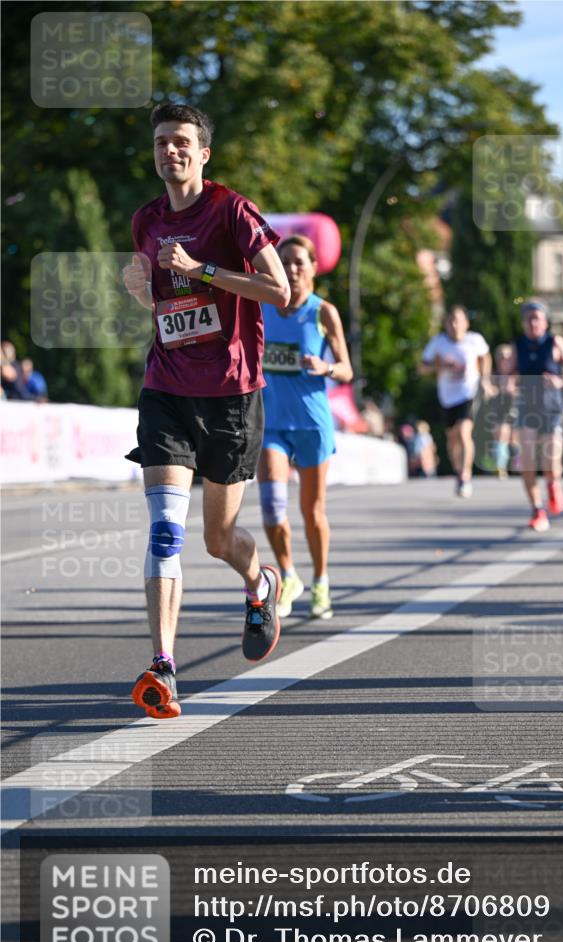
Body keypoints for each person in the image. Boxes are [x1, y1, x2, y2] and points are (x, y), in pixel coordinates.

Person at [121, 103, 290, 720]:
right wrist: (143, 288)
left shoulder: (232, 211)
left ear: (204, 153)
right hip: (166, 388)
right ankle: (163, 667)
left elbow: (280, 291)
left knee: (218, 539)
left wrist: (204, 270)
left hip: (232, 395)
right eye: (163, 141)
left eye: (183, 142)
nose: (172, 151)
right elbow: (166, 302)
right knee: (166, 530)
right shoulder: (146, 220)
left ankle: (260, 582)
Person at [257, 235, 353, 620]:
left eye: (300, 261)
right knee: (271, 505)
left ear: (314, 267)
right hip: (272, 424)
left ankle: (321, 581)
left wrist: (326, 367)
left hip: (312, 424)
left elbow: (347, 369)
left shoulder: (323, 312)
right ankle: (289, 574)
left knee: (311, 512)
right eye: (285, 262)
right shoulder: (262, 307)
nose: (293, 268)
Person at [509, 301, 563, 532]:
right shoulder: (517, 346)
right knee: (527, 463)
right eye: (528, 318)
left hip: (551, 408)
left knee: (551, 462)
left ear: (545, 322)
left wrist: (561, 380)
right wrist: (509, 385)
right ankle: (537, 510)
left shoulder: (554, 342)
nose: (533, 322)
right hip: (527, 408)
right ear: (523, 323)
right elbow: (507, 374)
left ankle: (552, 482)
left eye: (537, 318)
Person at [419, 304, 491, 497]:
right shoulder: (438, 343)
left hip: (468, 392)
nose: (454, 325)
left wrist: (485, 379)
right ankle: (459, 471)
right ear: (445, 324)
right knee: (452, 438)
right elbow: (422, 368)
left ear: (466, 323)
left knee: (464, 431)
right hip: (447, 396)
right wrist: (438, 366)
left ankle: (465, 475)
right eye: (451, 321)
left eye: (458, 321)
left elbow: (485, 357)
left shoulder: (475, 340)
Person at [487, 344, 519, 479]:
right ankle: (500, 467)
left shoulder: (517, 375)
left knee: (514, 440)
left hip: (516, 409)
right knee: (501, 436)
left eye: (507, 357)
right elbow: (488, 392)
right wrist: (497, 390)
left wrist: (514, 391)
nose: (504, 360)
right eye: (501, 357)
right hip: (498, 410)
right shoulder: (493, 375)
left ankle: (519, 464)